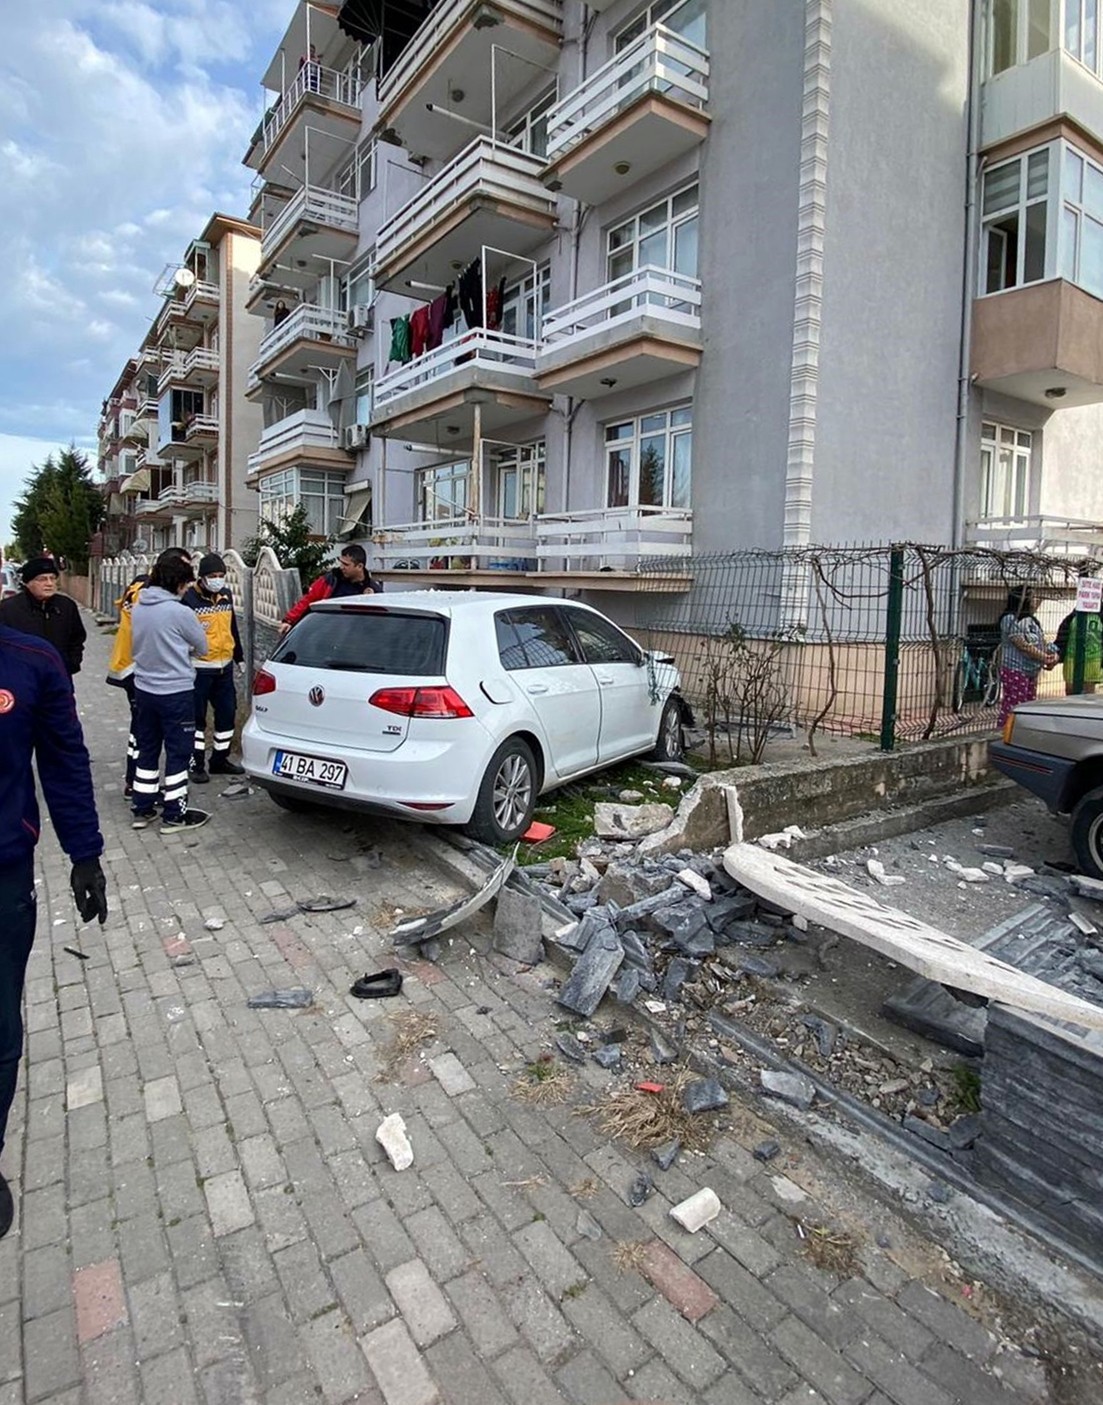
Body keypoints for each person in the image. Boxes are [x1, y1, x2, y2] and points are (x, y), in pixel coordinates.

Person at [0, 625, 108, 1239]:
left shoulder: (29, 661)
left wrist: (84, 852)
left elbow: (64, 760)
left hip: (3, 873)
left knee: (0, 1032)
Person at [130, 554, 211, 833]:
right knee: (178, 752)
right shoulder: (180, 612)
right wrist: (182, 649)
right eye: (186, 584)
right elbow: (202, 647)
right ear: (177, 583)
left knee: (147, 749)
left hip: (144, 689)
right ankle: (175, 814)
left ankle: (142, 808)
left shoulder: (139, 607)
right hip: (175, 692)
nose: (187, 589)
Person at [107, 547, 191, 796]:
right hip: (138, 669)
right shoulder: (147, 594)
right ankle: (136, 784)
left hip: (133, 666)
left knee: (142, 731)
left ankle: (138, 785)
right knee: (144, 734)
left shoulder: (141, 588)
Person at [182, 554, 246, 783]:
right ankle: (196, 764)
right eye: (212, 576)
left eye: (221, 575)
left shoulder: (226, 595)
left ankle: (220, 760)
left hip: (224, 668)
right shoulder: (188, 599)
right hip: (199, 669)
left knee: (227, 715)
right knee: (196, 720)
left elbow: (232, 628)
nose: (217, 580)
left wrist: (239, 657)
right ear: (202, 577)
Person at [0, 557, 86, 677]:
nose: (49, 584)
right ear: (28, 583)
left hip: (59, 675)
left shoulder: (66, 606)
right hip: (22, 677)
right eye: (42, 579)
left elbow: (77, 638)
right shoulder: (8, 608)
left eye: (52, 578)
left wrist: (71, 663)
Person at [278, 544, 383, 636]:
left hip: (354, 637)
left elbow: (377, 623)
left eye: (346, 565)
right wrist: (289, 621)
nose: (341, 567)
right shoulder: (331, 579)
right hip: (326, 632)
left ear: (359, 566)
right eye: (341, 563)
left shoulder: (374, 591)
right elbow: (309, 599)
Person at [997, 587, 1058, 726]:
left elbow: (1042, 642)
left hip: (1031, 670)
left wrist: (1053, 655)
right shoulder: (1009, 619)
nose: (1034, 600)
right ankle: (1005, 731)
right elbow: (1022, 644)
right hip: (1015, 668)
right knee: (1015, 705)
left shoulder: (1032, 621)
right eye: (1031, 597)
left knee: (1028, 705)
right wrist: (1044, 657)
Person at [1054, 602, 1103, 696]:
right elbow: (1062, 638)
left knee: (1088, 696)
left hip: (1093, 663)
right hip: (1071, 662)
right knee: (1071, 693)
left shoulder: (1101, 616)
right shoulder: (1073, 616)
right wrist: (1057, 654)